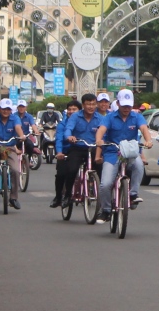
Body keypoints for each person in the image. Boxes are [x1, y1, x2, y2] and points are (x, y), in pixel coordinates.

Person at [94, 89, 153, 221]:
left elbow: (144, 129)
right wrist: (99, 140)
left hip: (130, 152)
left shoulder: (137, 116)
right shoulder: (109, 117)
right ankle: (106, 210)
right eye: (124, 105)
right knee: (105, 184)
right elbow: (101, 130)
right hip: (112, 152)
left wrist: (148, 140)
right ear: (118, 103)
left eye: (129, 105)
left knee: (139, 165)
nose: (126, 108)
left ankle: (133, 194)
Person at [0, 98, 27, 209]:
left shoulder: (15, 118)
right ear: (0, 109)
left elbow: (18, 128)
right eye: (3, 109)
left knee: (16, 170)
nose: (5, 111)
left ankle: (13, 198)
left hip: (10, 147)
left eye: (8, 109)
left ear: (11, 110)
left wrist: (21, 136)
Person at [50, 99, 85, 208]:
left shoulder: (83, 121)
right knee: (61, 174)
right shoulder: (62, 124)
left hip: (81, 151)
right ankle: (59, 197)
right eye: (69, 109)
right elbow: (59, 139)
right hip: (65, 152)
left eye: (74, 109)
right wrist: (59, 152)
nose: (71, 111)